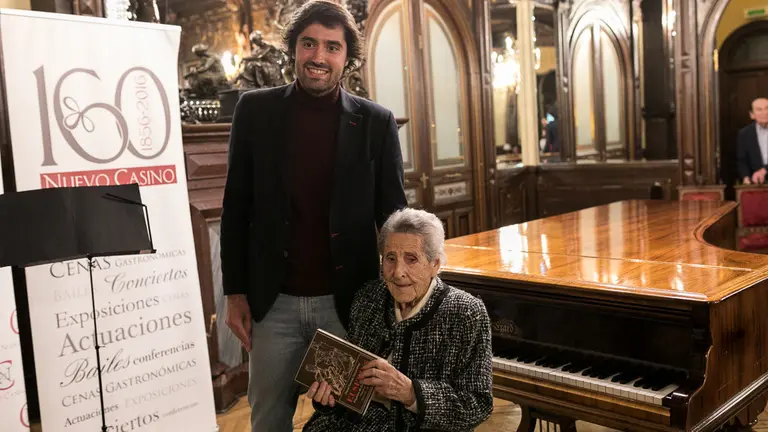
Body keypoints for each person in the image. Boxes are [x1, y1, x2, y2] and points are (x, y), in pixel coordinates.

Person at [219, 1, 408, 430]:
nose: (318, 57)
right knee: (267, 418)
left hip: (348, 305)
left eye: (331, 47)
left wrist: (398, 295)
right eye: (308, 44)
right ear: (293, 49)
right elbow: (236, 209)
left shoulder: (376, 122)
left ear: (347, 57)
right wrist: (234, 293)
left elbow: (394, 218)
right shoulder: (254, 111)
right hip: (273, 305)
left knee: (352, 420)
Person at [303, 208, 494, 432]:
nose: (398, 272)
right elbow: (347, 387)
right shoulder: (368, 298)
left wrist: (411, 392)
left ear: (435, 264)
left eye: (411, 259)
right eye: (390, 259)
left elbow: (478, 405)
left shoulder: (466, 312)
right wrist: (330, 398)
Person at [737, 97, 768, 184]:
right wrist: (745, 177)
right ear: (752, 115)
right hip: (756, 182)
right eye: (759, 110)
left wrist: (765, 170)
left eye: (767, 108)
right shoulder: (744, 133)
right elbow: (742, 160)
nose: (764, 113)